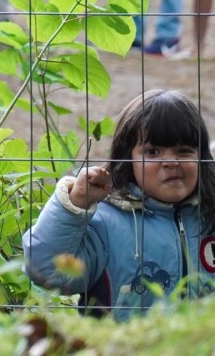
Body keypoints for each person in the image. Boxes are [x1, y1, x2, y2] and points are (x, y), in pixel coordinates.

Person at [23, 90, 215, 320]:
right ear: (127, 158)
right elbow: (46, 271)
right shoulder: (105, 223)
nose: (171, 163)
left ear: (202, 157)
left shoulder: (210, 214)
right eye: (152, 152)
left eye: (184, 151)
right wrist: (74, 204)